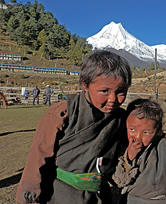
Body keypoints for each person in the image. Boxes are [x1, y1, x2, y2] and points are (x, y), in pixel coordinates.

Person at [16, 50, 132, 204]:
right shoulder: (62, 114)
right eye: (104, 91)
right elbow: (37, 159)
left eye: (121, 92)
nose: (113, 99)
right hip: (59, 195)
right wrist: (29, 198)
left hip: (100, 197)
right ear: (85, 84)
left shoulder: (121, 119)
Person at [112, 98, 166, 204]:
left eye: (146, 132)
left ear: (158, 130)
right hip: (134, 200)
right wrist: (129, 158)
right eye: (132, 129)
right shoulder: (122, 147)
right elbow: (119, 181)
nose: (138, 137)